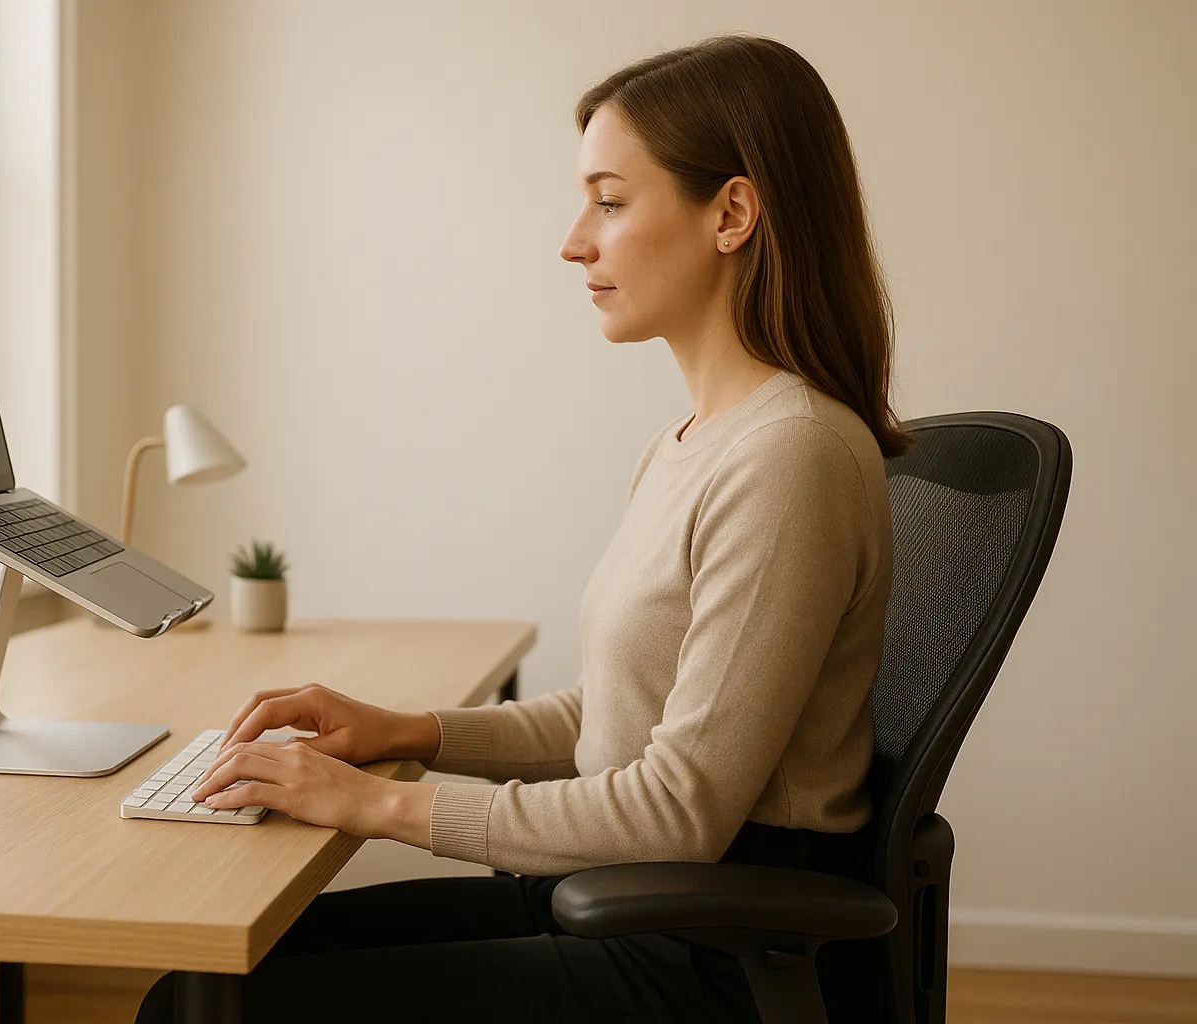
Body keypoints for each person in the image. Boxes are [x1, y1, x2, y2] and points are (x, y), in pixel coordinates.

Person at [137, 32, 914, 1024]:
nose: (574, 239)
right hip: (617, 899)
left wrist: (376, 801)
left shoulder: (791, 453)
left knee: (215, 1008)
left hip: (703, 955)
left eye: (611, 199)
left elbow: (678, 809)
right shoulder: (693, 443)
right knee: (202, 984)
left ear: (731, 212)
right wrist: (405, 731)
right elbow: (609, 721)